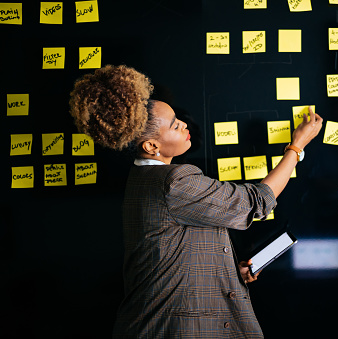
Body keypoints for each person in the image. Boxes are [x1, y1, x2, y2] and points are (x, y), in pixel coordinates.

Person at [69, 65, 323, 338]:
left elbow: (175, 250)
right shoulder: (174, 180)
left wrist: (227, 271)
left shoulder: (142, 177)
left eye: (179, 119)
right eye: (175, 125)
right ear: (151, 146)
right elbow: (254, 203)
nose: (184, 125)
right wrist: (297, 147)